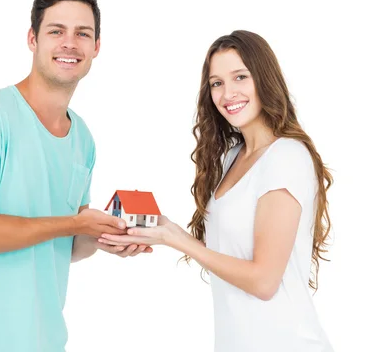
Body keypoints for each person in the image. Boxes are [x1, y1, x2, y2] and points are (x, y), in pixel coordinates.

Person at [0, 0, 151, 352]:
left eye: (83, 33)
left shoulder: (82, 137)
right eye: (56, 31)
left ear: (96, 47)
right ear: (33, 39)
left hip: (45, 340)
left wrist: (102, 237)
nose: (70, 43)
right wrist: (73, 223)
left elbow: (69, 246)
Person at [99, 30, 334, 351]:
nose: (228, 93)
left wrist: (177, 240)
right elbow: (231, 256)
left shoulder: (286, 157)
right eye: (217, 83)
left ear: (264, 79)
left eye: (240, 77)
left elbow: (264, 282)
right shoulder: (232, 158)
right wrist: (164, 229)